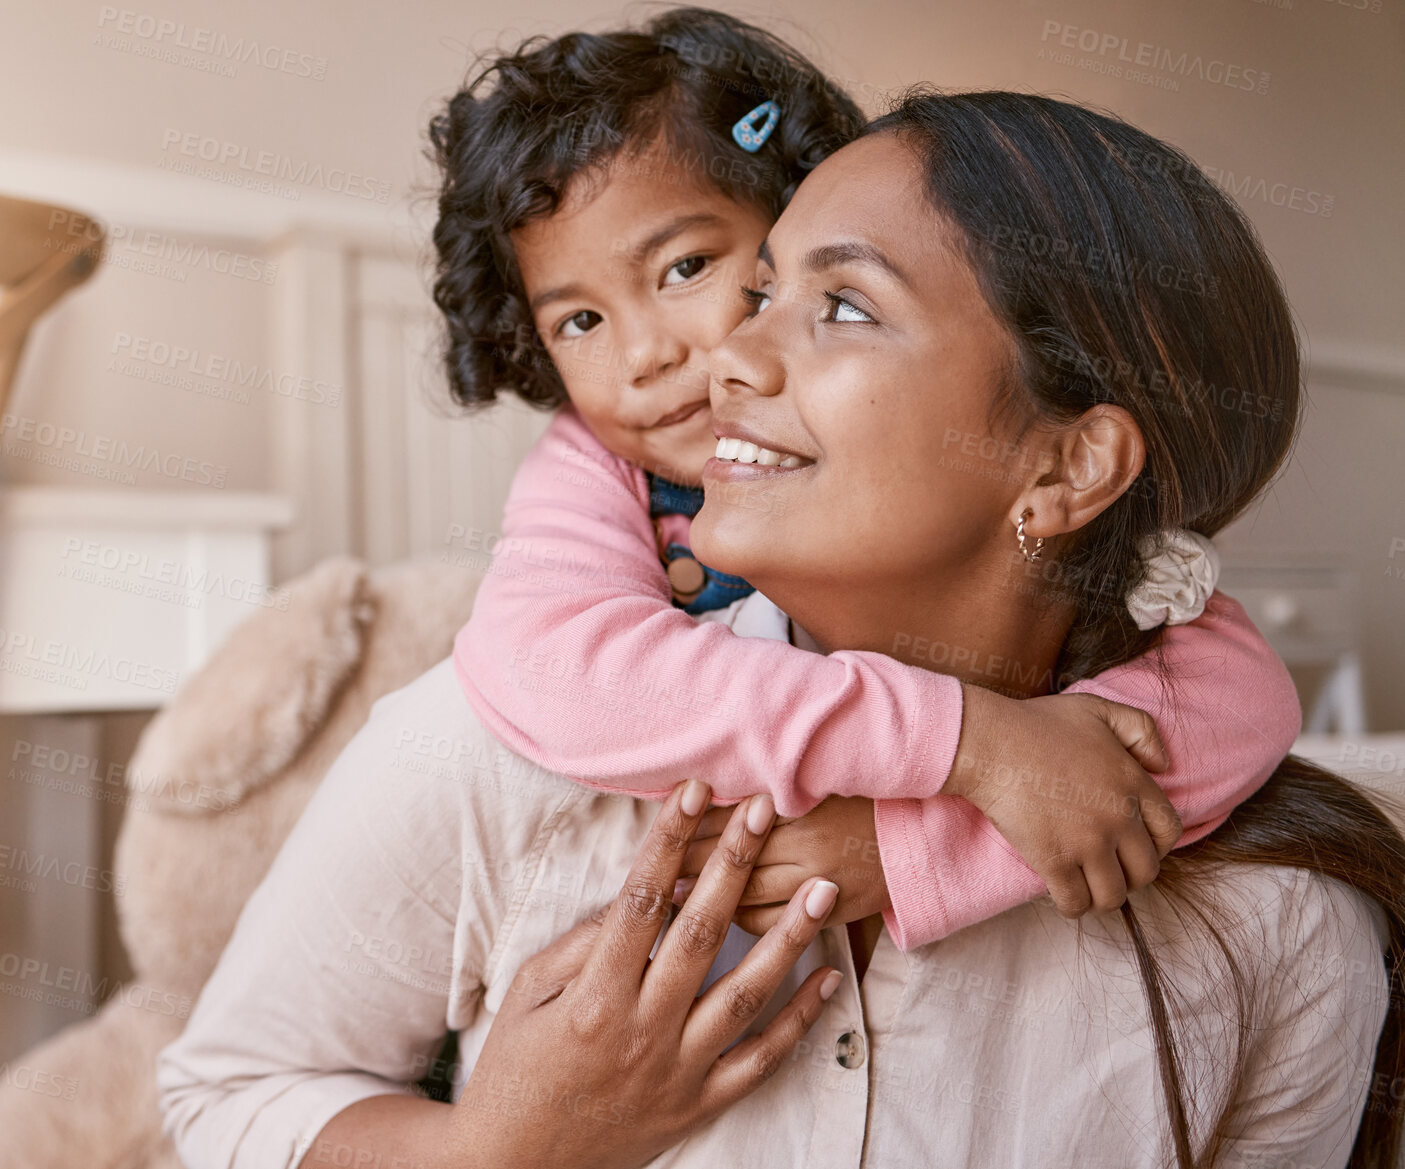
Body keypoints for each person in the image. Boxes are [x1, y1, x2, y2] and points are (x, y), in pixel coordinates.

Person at [158, 90, 1405, 1169]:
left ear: (1068, 466)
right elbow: (222, 1100)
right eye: (759, 292)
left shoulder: (1280, 924)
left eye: (844, 305)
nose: (726, 361)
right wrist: (501, 1147)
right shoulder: (500, 739)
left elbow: (1232, 694)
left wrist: (921, 840)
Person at [433, 8, 1300, 946]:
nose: (647, 355)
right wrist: (964, 741)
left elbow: (1238, 704)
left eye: (689, 268)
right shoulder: (592, 463)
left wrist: (911, 843)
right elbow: (554, 672)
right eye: (579, 322)